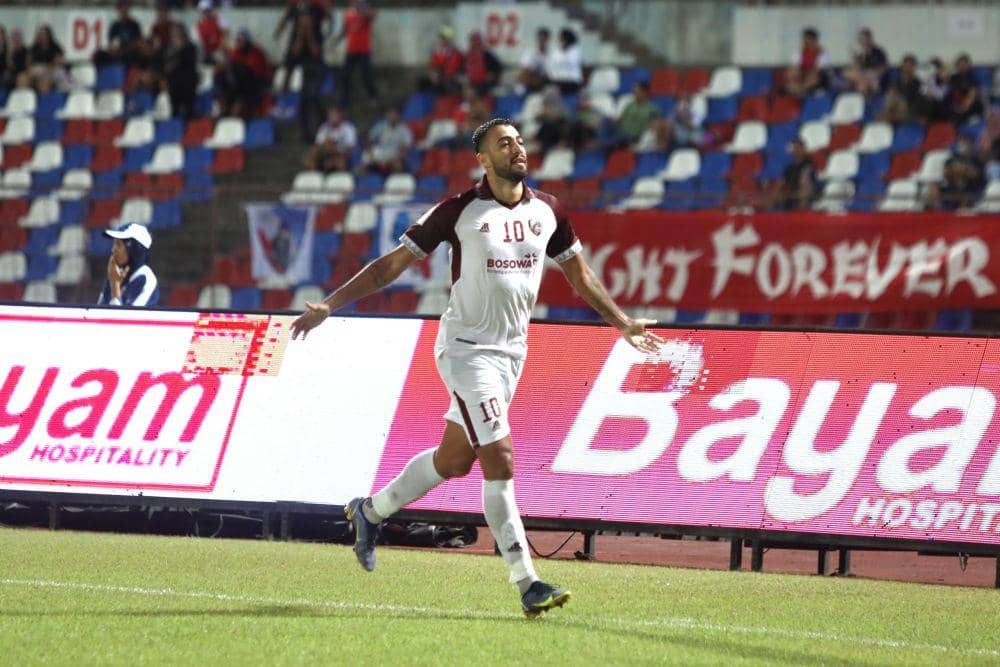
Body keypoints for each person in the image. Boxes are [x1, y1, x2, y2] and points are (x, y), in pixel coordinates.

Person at [290, 117, 663, 617]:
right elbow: (390, 265)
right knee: (500, 458)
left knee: (454, 461)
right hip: (466, 351)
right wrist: (330, 305)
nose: (517, 148)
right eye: (503, 143)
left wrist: (622, 323)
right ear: (483, 159)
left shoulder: (549, 211)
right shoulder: (458, 211)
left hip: (512, 353)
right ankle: (527, 581)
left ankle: (369, 511)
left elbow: (579, 273)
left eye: (520, 141)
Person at [98, 224, 159, 307]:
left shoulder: (145, 278)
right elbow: (98, 314)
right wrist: (113, 282)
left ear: (135, 249)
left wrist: (115, 286)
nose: (113, 250)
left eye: (118, 245)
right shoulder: (115, 274)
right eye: (114, 244)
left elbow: (125, 319)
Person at [215, 29, 272, 118]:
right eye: (237, 41)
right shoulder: (235, 53)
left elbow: (251, 75)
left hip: (255, 87)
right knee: (222, 98)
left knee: (238, 108)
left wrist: (232, 66)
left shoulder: (257, 53)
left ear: (247, 41)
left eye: (241, 41)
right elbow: (230, 68)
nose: (238, 43)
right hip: (239, 88)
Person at [334, 0, 379, 108]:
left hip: (364, 50)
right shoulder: (347, 14)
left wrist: (362, 11)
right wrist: (336, 42)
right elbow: (345, 30)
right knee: (346, 75)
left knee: (366, 75)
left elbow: (373, 15)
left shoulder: (365, 12)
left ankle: (373, 96)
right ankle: (345, 101)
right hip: (351, 49)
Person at [304, 107, 357, 172]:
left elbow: (351, 148)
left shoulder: (348, 128)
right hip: (326, 154)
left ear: (340, 116)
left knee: (338, 161)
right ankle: (313, 176)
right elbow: (318, 145)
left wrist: (334, 149)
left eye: (334, 115)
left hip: (342, 154)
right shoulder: (324, 127)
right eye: (330, 115)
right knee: (313, 155)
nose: (331, 118)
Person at [162, 24, 198, 119]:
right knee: (174, 108)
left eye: (177, 31)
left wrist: (177, 58)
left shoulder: (190, 46)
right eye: (173, 31)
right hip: (173, 82)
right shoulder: (168, 48)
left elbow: (189, 61)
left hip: (187, 82)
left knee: (189, 109)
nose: (175, 33)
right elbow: (165, 64)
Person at [362, 107, 413, 173]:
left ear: (398, 116)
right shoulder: (380, 126)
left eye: (395, 115)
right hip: (380, 152)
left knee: (398, 165)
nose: (392, 117)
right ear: (387, 116)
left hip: (394, 154)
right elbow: (368, 139)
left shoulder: (404, 130)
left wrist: (395, 158)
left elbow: (406, 148)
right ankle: (365, 178)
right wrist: (371, 153)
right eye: (390, 115)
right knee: (366, 156)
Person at [94, 0, 142, 67]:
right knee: (99, 55)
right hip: (118, 52)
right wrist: (114, 49)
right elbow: (112, 43)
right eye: (121, 8)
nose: (123, 10)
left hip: (130, 52)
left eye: (125, 8)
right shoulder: (115, 26)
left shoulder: (134, 25)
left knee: (132, 55)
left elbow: (138, 42)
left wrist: (126, 49)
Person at [882, 54, 928, 124]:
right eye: (906, 66)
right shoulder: (896, 82)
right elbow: (891, 97)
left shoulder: (918, 83)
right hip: (896, 109)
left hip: (910, 111)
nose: (907, 69)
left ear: (914, 68)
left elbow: (918, 100)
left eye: (910, 66)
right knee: (890, 96)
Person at [842, 28, 888, 96]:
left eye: (864, 39)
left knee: (862, 84)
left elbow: (881, 70)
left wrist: (868, 74)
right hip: (862, 77)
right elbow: (856, 69)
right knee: (847, 73)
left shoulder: (879, 52)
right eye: (860, 39)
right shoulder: (860, 54)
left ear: (869, 39)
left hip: (874, 78)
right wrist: (855, 58)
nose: (862, 42)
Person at [23, 25, 69, 92]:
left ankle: (45, 99)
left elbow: (57, 62)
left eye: (44, 34)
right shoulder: (34, 47)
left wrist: (47, 70)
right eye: (40, 34)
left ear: (49, 35)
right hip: (37, 69)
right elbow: (28, 62)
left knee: (46, 81)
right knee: (23, 78)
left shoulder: (55, 46)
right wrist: (30, 71)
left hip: (52, 69)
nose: (42, 36)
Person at [785, 27, 829, 97]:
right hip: (804, 74)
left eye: (808, 39)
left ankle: (801, 90)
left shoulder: (822, 53)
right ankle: (796, 88)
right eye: (805, 39)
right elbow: (795, 66)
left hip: (818, 78)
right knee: (792, 71)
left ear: (814, 40)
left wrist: (808, 75)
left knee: (814, 76)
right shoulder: (799, 52)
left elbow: (819, 70)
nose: (805, 42)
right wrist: (796, 73)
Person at [615, 81, 660, 146]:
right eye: (634, 92)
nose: (634, 94)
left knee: (616, 138)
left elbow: (655, 124)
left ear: (645, 93)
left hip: (635, 136)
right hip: (621, 132)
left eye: (637, 92)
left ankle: (604, 144)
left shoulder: (652, 108)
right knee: (606, 121)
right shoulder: (630, 105)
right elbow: (620, 120)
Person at [778, 138, 818, 210]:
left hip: (805, 192)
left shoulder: (808, 164)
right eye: (794, 148)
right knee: (775, 194)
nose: (796, 150)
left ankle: (801, 214)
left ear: (803, 149)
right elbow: (782, 182)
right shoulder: (789, 167)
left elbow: (805, 180)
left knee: (805, 191)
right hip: (792, 192)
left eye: (798, 148)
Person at [422, 25, 463, 95]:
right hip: (439, 81)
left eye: (445, 37)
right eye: (442, 37)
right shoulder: (436, 51)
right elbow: (433, 66)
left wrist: (456, 75)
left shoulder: (456, 52)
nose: (443, 40)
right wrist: (433, 75)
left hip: (452, 81)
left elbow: (460, 67)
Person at [946, 54, 984, 127]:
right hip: (955, 104)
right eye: (959, 64)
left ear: (968, 65)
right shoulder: (953, 77)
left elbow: (971, 96)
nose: (961, 66)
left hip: (970, 106)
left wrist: (962, 108)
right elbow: (948, 92)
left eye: (964, 64)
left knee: (959, 117)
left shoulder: (973, 78)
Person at [464, 31, 502, 96]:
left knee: (475, 91)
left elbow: (498, 67)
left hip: (484, 83)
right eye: (473, 41)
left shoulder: (487, 55)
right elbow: (464, 70)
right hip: (472, 82)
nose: (475, 43)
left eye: (477, 40)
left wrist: (492, 74)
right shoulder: (468, 55)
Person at [547, 28, 582, 94]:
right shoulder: (556, 52)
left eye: (562, 39)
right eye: (560, 39)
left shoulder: (575, 51)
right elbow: (552, 66)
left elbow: (569, 63)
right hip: (556, 81)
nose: (560, 41)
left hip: (570, 82)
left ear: (567, 40)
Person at [518, 28, 551, 94]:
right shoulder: (530, 52)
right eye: (540, 39)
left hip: (544, 81)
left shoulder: (551, 54)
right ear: (537, 39)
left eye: (544, 39)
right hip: (530, 80)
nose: (542, 41)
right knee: (524, 77)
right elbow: (525, 71)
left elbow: (549, 73)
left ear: (547, 40)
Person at [196, 0, 228, 65]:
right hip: (206, 52)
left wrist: (220, 49)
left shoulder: (220, 20)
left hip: (218, 51)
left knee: (221, 59)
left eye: (207, 10)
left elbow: (226, 36)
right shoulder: (198, 25)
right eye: (203, 11)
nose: (205, 13)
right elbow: (199, 42)